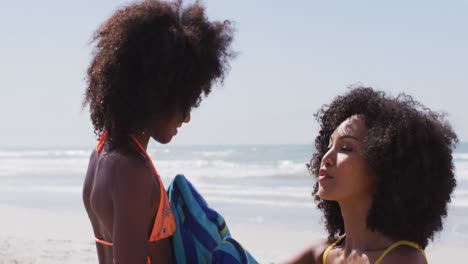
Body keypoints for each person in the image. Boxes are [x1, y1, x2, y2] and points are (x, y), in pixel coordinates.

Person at [81, 0, 234, 263]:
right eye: (185, 101)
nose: (186, 117)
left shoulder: (101, 155)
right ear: (157, 94)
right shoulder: (133, 171)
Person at [285, 87, 457, 264]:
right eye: (329, 146)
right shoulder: (322, 253)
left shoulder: (402, 259)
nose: (326, 158)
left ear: (383, 165)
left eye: (346, 148)